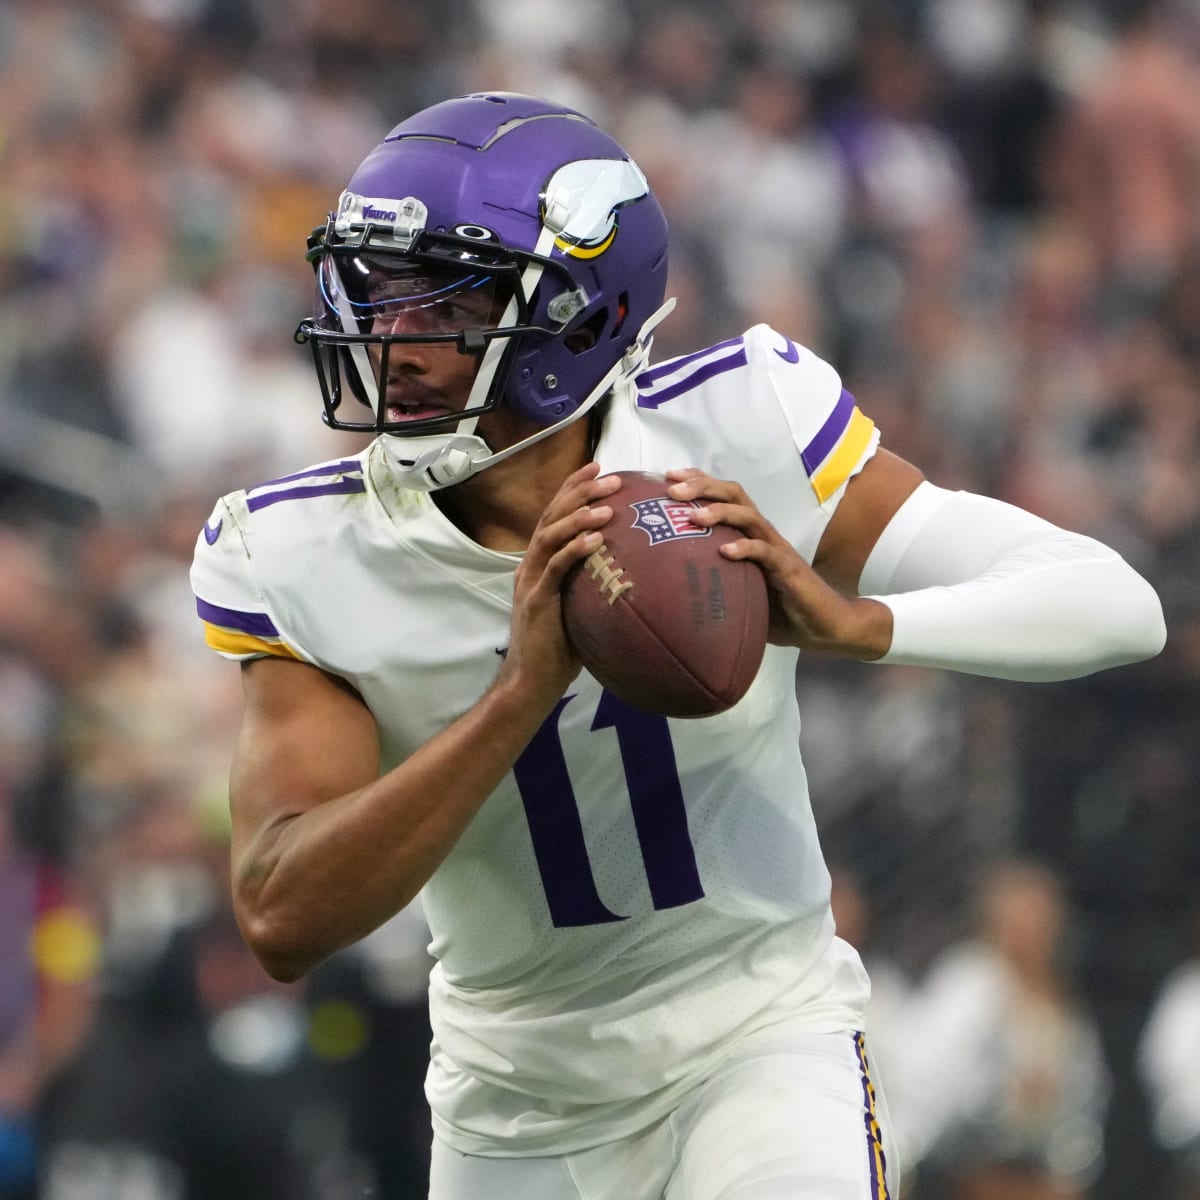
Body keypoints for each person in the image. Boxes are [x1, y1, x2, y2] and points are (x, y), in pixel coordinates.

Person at [189, 92, 1166, 1200]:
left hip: (759, 1036)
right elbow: (281, 914)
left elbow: (1116, 603)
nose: (389, 339)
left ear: (577, 316)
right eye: (377, 294)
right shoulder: (300, 548)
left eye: (439, 303)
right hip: (516, 1098)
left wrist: (857, 624)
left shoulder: (737, 425)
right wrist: (519, 695)